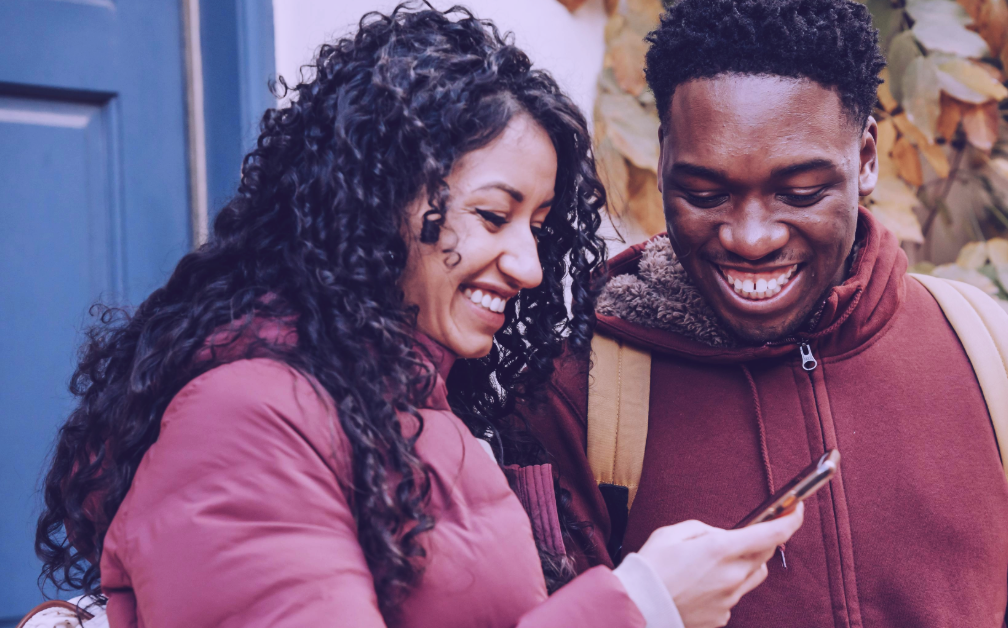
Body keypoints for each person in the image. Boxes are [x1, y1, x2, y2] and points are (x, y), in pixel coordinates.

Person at [31, 5, 805, 628]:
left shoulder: (430, 407)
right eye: (493, 215)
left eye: (536, 226)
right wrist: (640, 608)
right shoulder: (247, 419)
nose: (530, 267)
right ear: (377, 203)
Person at [518, 0, 1008, 626]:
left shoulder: (1005, 369)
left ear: (865, 159)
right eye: (705, 192)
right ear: (662, 160)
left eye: (800, 192)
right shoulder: (581, 396)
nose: (751, 237)